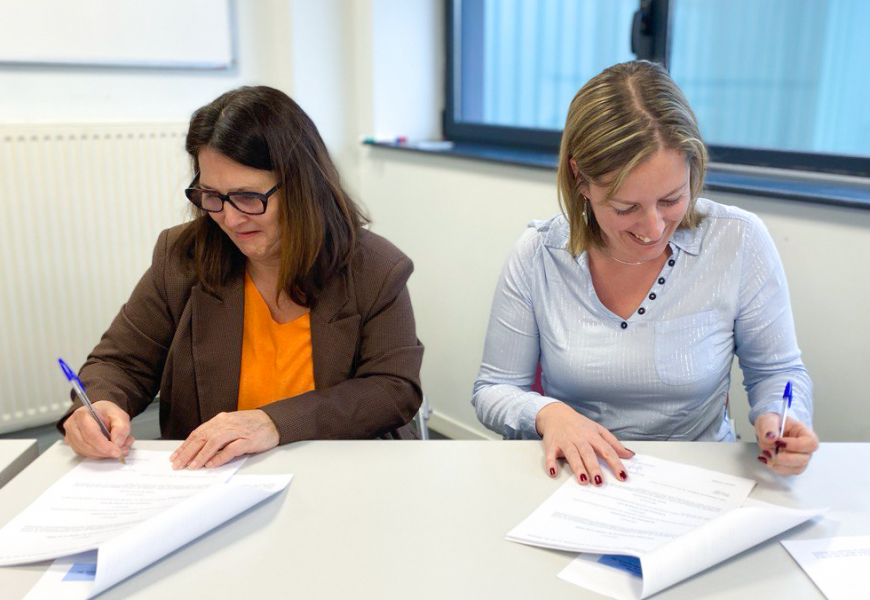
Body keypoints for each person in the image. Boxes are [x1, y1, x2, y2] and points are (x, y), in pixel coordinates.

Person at [472, 61, 818, 485]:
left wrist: (780, 419)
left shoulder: (738, 241)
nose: (652, 228)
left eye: (671, 200)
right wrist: (547, 413)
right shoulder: (540, 254)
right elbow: (493, 389)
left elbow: (777, 372)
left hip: (701, 478)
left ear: (694, 168)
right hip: (579, 479)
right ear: (580, 179)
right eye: (625, 208)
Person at [60, 86, 424, 469]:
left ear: (303, 188)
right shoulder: (184, 256)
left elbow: (392, 389)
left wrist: (274, 422)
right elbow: (121, 362)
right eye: (211, 195)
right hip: (214, 482)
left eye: (249, 197)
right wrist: (100, 404)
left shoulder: (376, 269)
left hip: (338, 473)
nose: (229, 220)